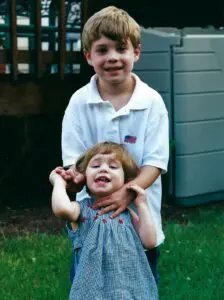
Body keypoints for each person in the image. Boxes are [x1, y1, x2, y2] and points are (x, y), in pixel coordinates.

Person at [57, 5, 169, 283]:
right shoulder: (79, 103)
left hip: (138, 220)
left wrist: (127, 193)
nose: (113, 58)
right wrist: (73, 178)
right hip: (92, 223)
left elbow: (155, 162)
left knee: (139, 285)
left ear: (136, 52)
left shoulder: (151, 102)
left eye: (121, 48)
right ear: (88, 56)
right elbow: (75, 161)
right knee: (89, 284)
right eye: (102, 50)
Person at [50, 142, 159, 299]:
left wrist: (142, 204)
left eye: (113, 167)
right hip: (93, 292)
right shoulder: (82, 210)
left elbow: (149, 241)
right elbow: (61, 209)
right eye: (95, 165)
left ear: (126, 181)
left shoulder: (127, 214)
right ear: (84, 177)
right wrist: (59, 182)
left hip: (128, 290)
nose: (103, 168)